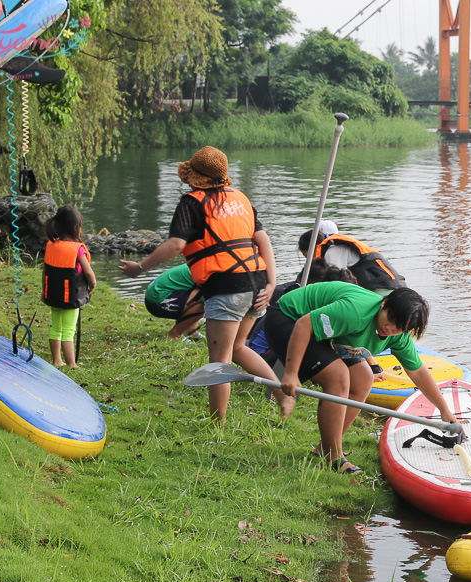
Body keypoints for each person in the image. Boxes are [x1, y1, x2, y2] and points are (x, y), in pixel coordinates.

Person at [118, 145, 292, 421]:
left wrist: (140, 267)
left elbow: (176, 243)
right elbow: (263, 240)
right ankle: (281, 393)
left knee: (219, 361)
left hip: (227, 287)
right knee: (237, 348)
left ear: (195, 176)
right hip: (258, 283)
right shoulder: (241, 198)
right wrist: (271, 283)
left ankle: (216, 424)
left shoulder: (192, 202)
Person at [265, 281, 458, 474]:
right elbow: (304, 324)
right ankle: (334, 457)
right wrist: (290, 372)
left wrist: (443, 409)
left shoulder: (398, 335)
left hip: (320, 331)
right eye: (389, 319)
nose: (390, 329)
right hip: (288, 318)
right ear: (383, 305)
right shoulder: (356, 312)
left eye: (399, 328)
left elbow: (417, 372)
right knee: (338, 377)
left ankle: (325, 448)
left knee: (363, 379)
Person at [42, 205, 96, 367]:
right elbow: (88, 272)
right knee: (68, 331)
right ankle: (72, 364)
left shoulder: (50, 245)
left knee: (56, 328)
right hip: (70, 296)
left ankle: (57, 360)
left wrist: (44, 291)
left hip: (53, 294)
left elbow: (45, 271)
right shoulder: (77, 250)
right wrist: (93, 283)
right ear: (75, 228)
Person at [298, 229, 406, 294]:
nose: (309, 261)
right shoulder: (332, 245)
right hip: (389, 285)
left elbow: (335, 284)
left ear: (312, 249)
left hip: (384, 288)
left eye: (307, 256)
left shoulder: (332, 251)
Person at [143, 264, 204, 340]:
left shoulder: (209, 264)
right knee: (208, 300)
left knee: (207, 295)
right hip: (157, 301)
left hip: (158, 296)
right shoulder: (213, 272)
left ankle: (190, 330)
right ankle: (174, 335)